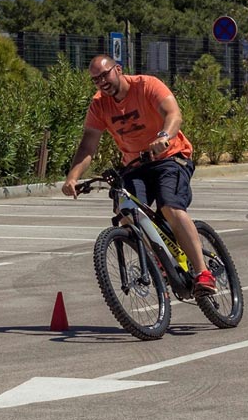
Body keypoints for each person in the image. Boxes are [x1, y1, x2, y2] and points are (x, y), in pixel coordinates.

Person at [62, 54, 216, 295]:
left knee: (170, 206)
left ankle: (202, 272)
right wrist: (72, 177)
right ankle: (159, 262)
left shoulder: (146, 85)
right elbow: (88, 145)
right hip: (135, 166)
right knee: (126, 211)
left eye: (105, 75)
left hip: (170, 158)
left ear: (118, 69)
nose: (102, 82)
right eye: (96, 79)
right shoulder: (99, 104)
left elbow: (173, 114)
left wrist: (164, 136)